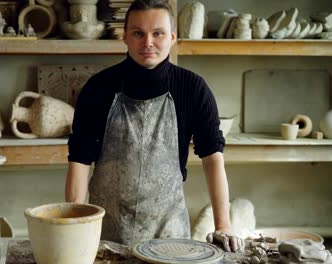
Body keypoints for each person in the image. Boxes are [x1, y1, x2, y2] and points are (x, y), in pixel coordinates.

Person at [65, 0, 243, 252]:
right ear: (125, 37)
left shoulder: (193, 89)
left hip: (170, 233)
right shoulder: (98, 88)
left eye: (157, 33)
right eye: (138, 33)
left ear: (171, 37)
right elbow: (80, 159)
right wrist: (73, 226)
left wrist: (223, 225)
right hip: (105, 232)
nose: (147, 42)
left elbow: (212, 158)